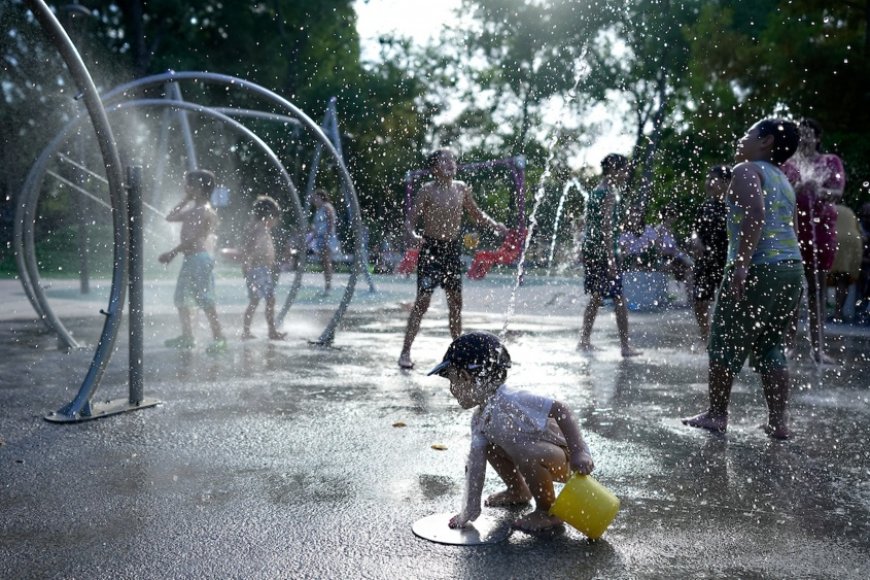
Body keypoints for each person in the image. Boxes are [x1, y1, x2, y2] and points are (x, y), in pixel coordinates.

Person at [682, 118, 803, 440]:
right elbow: (789, 227)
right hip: (791, 267)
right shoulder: (784, 180)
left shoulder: (747, 170)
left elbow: (755, 215)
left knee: (723, 338)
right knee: (770, 344)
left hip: (760, 267)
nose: (741, 138)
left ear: (765, 142)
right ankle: (778, 422)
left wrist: (740, 265)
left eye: (748, 133)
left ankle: (717, 414)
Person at [427, 331, 595, 534]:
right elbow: (475, 466)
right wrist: (469, 511)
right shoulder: (480, 419)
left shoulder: (512, 399)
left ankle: (548, 511)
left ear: (466, 376)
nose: (452, 390)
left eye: (453, 381)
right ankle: (518, 490)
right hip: (537, 457)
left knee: (527, 451)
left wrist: (579, 452)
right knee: (488, 446)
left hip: (566, 460)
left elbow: (561, 409)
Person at [397, 149, 507, 369]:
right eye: (444, 160)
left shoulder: (461, 188)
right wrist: (412, 235)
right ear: (434, 168)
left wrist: (494, 225)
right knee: (422, 303)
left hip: (451, 251)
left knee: (456, 304)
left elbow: (476, 213)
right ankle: (405, 351)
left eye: (452, 159)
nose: (450, 163)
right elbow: (410, 220)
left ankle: (457, 351)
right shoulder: (426, 191)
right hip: (431, 250)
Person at [782, 119, 846, 364]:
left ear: (818, 138)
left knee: (817, 292)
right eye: (801, 134)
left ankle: (818, 349)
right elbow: (783, 193)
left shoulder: (830, 162)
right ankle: (788, 346)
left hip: (821, 231)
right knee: (792, 293)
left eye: (809, 134)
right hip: (794, 231)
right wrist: (797, 188)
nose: (805, 138)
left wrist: (819, 191)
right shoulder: (788, 164)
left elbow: (838, 193)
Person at [578, 153, 641, 357]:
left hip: (592, 251)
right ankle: (625, 346)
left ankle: (584, 340)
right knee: (619, 298)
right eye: (623, 169)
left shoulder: (596, 191)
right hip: (604, 254)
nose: (626, 174)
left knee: (596, 296)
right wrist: (612, 258)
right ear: (614, 169)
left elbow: (591, 226)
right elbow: (605, 227)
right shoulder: (609, 193)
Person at [158, 169, 227, 353]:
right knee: (181, 298)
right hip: (191, 259)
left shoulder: (205, 211)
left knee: (205, 299)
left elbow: (194, 240)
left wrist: (173, 253)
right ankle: (187, 336)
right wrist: (186, 199)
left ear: (198, 188)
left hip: (200, 260)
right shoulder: (193, 209)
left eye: (188, 185)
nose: (184, 187)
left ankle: (220, 338)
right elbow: (170, 217)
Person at [691, 165, 731, 342]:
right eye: (707, 179)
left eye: (713, 179)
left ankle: (727, 338)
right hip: (705, 260)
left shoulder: (735, 205)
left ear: (726, 182)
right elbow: (695, 230)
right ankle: (705, 338)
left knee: (729, 302)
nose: (708, 183)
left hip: (726, 261)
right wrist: (694, 239)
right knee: (700, 301)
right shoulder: (705, 206)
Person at [241, 195, 286, 341]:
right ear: (269, 216)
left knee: (261, 300)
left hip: (261, 270)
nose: (276, 222)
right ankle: (266, 332)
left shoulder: (260, 228)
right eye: (275, 218)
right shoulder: (260, 229)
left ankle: (254, 331)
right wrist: (247, 264)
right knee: (263, 300)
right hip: (258, 270)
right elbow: (250, 248)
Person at [828, 203, 863, 322]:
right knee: (843, 279)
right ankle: (838, 313)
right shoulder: (849, 211)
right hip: (852, 240)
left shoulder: (828, 208)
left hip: (834, 239)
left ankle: (818, 313)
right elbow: (858, 230)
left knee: (821, 277)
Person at [310, 188, 340, 296]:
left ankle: (328, 287)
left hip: (326, 238)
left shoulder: (327, 207)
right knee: (324, 263)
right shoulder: (319, 210)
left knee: (326, 262)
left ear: (321, 197)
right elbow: (316, 227)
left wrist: (327, 237)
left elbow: (331, 221)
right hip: (321, 238)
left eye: (315, 198)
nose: (314, 200)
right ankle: (327, 286)